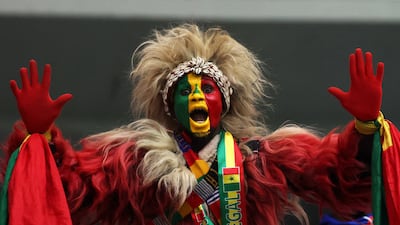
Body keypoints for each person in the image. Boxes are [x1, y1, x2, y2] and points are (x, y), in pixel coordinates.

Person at [0, 24, 384, 225]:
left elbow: (338, 175)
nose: (197, 97)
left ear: (225, 101)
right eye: (185, 91)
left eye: (207, 89)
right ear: (171, 106)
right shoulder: (134, 163)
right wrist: (41, 138)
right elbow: (69, 189)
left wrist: (365, 129)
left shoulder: (264, 161)